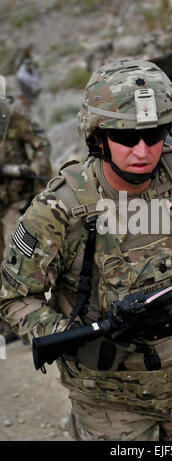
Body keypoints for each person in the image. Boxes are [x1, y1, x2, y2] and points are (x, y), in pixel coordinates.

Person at [0, 60, 172, 441]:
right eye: (126, 137)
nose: (143, 150)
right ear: (98, 136)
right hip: (110, 399)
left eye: (155, 134)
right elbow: (15, 298)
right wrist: (76, 340)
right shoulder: (61, 207)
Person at [0, 75, 51, 342]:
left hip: (17, 200)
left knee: (17, 259)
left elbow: (41, 144)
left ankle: (33, 322)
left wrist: (33, 171)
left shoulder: (14, 119)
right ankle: (7, 325)